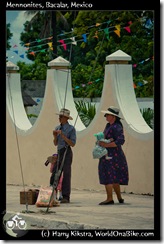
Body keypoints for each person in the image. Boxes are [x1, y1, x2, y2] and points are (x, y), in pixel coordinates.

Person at [97, 106, 129, 205]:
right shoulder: (108, 126)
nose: (106, 116)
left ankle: (110, 198)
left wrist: (106, 144)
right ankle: (119, 197)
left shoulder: (117, 127)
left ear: (113, 117)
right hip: (108, 153)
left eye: (108, 114)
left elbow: (120, 141)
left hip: (113, 154)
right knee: (114, 175)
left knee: (109, 174)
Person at [51, 108, 76, 203]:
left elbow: (72, 143)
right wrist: (54, 136)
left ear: (66, 118)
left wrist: (63, 136)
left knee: (66, 174)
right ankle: (53, 193)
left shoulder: (71, 129)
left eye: (61, 116)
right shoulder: (57, 127)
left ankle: (66, 196)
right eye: (59, 116)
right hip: (60, 151)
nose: (59, 118)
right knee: (55, 172)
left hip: (67, 151)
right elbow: (55, 143)